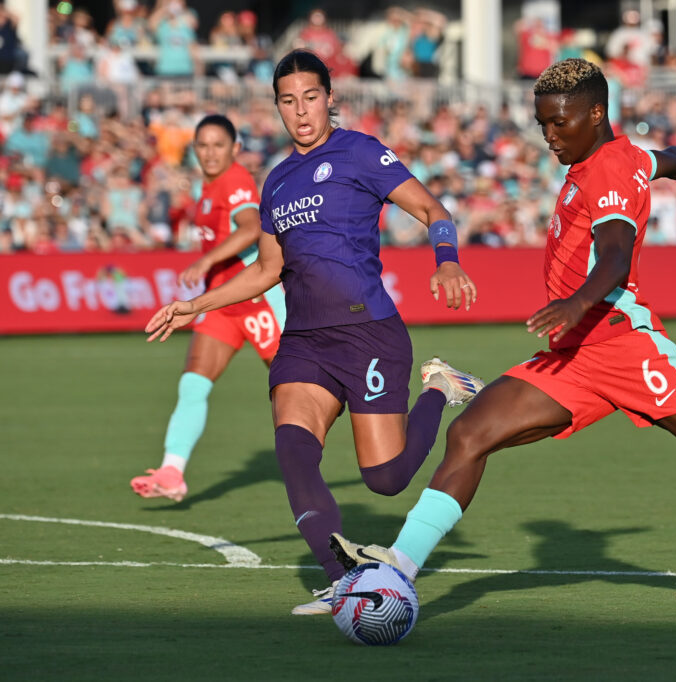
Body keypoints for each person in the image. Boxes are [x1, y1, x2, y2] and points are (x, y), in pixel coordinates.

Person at [330, 58, 676, 594]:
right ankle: (398, 567)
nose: (549, 136)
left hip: (624, 347)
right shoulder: (617, 157)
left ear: (596, 114)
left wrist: (578, 303)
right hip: (575, 357)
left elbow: (615, 257)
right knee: (470, 434)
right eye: (542, 124)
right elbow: (663, 160)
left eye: (559, 123)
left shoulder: (607, 171)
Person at [143, 50, 485, 615]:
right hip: (303, 341)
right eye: (288, 101)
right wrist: (194, 304)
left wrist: (446, 260)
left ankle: (440, 387)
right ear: (276, 107)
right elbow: (265, 271)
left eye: (310, 97)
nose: (301, 111)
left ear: (330, 98)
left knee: (387, 479)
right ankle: (340, 581)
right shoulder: (277, 181)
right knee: (294, 452)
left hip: (368, 333)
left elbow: (431, 207)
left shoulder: (361, 151)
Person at [131, 114, 286, 502]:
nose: (211, 152)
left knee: (304, 389)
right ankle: (172, 471)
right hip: (222, 302)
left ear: (235, 149)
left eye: (219, 145)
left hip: (256, 300)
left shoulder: (234, 179)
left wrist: (203, 260)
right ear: (194, 149)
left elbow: (251, 227)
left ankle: (395, 423)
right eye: (203, 145)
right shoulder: (209, 185)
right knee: (193, 384)